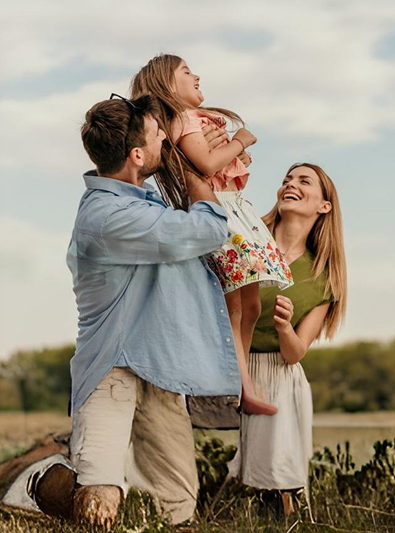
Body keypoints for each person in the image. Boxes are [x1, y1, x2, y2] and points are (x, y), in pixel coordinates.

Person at [28, 93, 241, 528]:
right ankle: (40, 482)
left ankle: (69, 476)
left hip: (160, 364)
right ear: (137, 154)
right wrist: (200, 171)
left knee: (180, 500)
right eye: (157, 133)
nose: (166, 136)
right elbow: (207, 230)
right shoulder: (109, 217)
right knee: (99, 501)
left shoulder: (144, 201)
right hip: (114, 365)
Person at [130, 55, 293, 417]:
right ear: (169, 86)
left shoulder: (195, 121)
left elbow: (215, 165)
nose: (197, 75)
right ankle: (239, 386)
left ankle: (242, 379)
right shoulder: (184, 120)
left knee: (251, 306)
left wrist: (234, 158)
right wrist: (239, 143)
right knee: (235, 308)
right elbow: (205, 164)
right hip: (222, 215)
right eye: (187, 72)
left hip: (237, 210)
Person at [228, 162, 347, 506]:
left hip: (275, 368)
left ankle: (279, 499)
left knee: (282, 384)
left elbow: (295, 353)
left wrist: (283, 327)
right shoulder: (246, 237)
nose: (290, 184)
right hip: (227, 356)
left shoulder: (323, 278)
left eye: (303, 181)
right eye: (286, 180)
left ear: (323, 206)